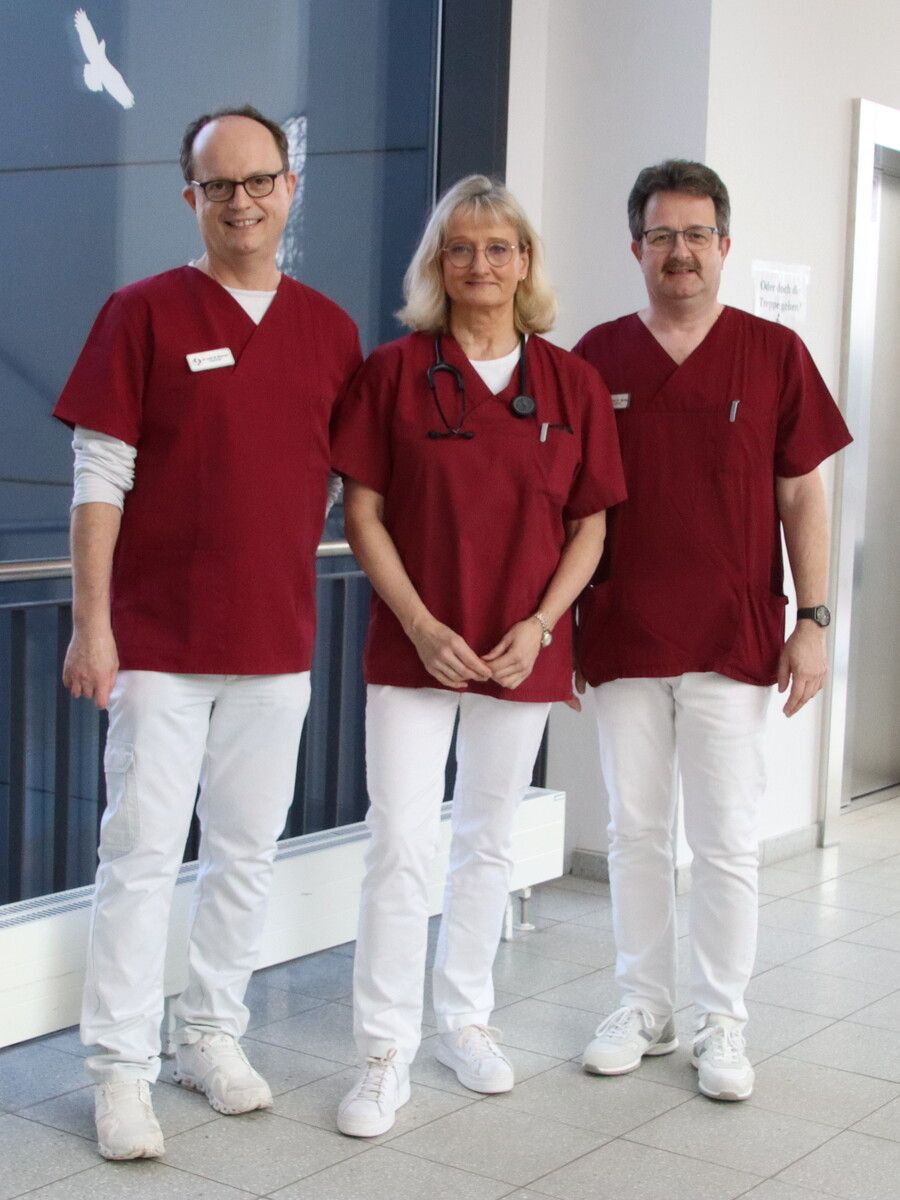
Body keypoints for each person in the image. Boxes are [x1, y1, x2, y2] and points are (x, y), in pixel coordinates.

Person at [53, 105, 361, 1159]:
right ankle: (119, 1073)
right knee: (139, 857)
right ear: (190, 198)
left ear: (290, 188)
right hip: (158, 645)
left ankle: (209, 1035)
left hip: (276, 641)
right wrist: (94, 626)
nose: (242, 201)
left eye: (259, 181)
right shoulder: (141, 314)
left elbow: (335, 480)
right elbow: (100, 476)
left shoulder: (330, 331)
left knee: (244, 853)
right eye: (219, 186)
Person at [329, 175, 626, 1136]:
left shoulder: (572, 382)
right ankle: (383, 1050)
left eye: (499, 248)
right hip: (418, 642)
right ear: (437, 265)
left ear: (525, 262)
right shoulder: (391, 372)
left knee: (488, 840)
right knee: (400, 845)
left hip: (518, 648)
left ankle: (464, 1018)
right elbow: (362, 512)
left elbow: (590, 523)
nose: (480, 266)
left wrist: (541, 625)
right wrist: (419, 623)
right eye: (460, 249)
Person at [572, 159, 851, 1101]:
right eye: (661, 235)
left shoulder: (772, 354)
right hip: (621, 630)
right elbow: (566, 506)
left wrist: (813, 620)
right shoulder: (595, 358)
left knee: (727, 838)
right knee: (635, 831)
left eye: (696, 234)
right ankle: (644, 1007)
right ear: (636, 247)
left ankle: (721, 1021)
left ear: (724, 246)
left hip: (734, 635)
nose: (679, 252)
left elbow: (801, 493)